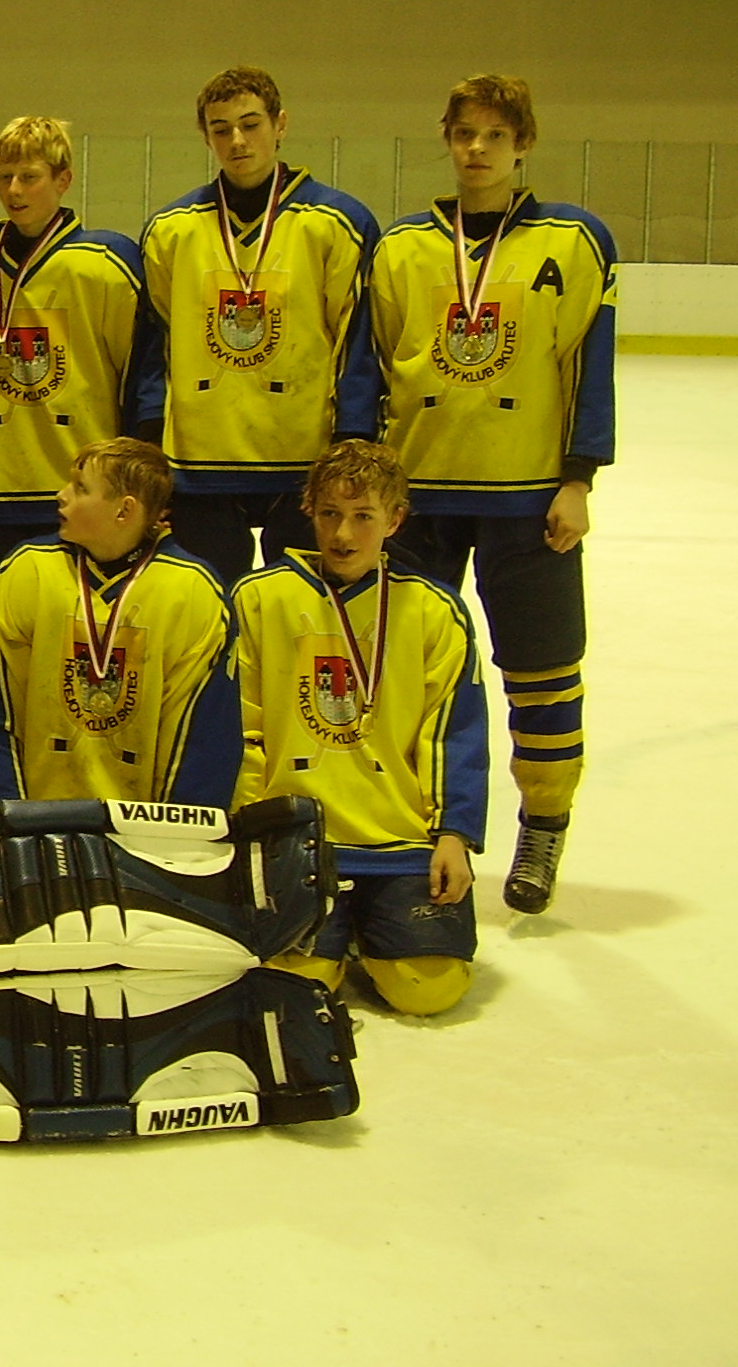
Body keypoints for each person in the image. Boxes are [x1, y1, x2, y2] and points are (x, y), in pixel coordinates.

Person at [335, 74, 614, 914]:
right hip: (418, 497)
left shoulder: (574, 240)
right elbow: (368, 366)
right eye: (465, 133)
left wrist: (578, 478)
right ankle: (409, 825)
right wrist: (362, 480)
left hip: (527, 498)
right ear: (447, 139)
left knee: (543, 669)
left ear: (522, 143)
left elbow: (589, 366)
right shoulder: (402, 247)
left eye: (495, 134)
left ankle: (544, 824)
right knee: (405, 672)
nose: (478, 149)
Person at [233, 440, 487, 1015]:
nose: (343, 534)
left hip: (400, 842)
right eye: (330, 513)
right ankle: (340, 932)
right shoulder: (258, 599)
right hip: (298, 842)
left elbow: (454, 732)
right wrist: (253, 831)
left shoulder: (433, 610)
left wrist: (453, 835)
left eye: (363, 516)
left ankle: (368, 926)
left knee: (428, 988)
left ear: (395, 520)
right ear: (308, 511)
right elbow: (241, 728)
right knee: (294, 986)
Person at [135, 67, 378, 585]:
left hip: (305, 459)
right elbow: (154, 344)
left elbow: (358, 342)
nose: (237, 141)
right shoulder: (171, 230)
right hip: (200, 461)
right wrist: (149, 438)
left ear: (280, 124)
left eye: (250, 124)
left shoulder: (338, 223)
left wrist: (352, 440)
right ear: (206, 136)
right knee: (204, 609)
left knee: (300, 612)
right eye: (221, 129)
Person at [0, 436, 239, 810]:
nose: (61, 495)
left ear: (124, 510)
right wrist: (8, 820)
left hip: (141, 829)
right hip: (32, 823)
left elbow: (205, 741)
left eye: (81, 488)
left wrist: (169, 836)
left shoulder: (193, 591)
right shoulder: (29, 569)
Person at [0, 116, 146, 567]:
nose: (14, 190)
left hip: (82, 494)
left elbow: (137, 379)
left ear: (63, 180)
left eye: (29, 177)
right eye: (5, 177)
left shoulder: (106, 266)